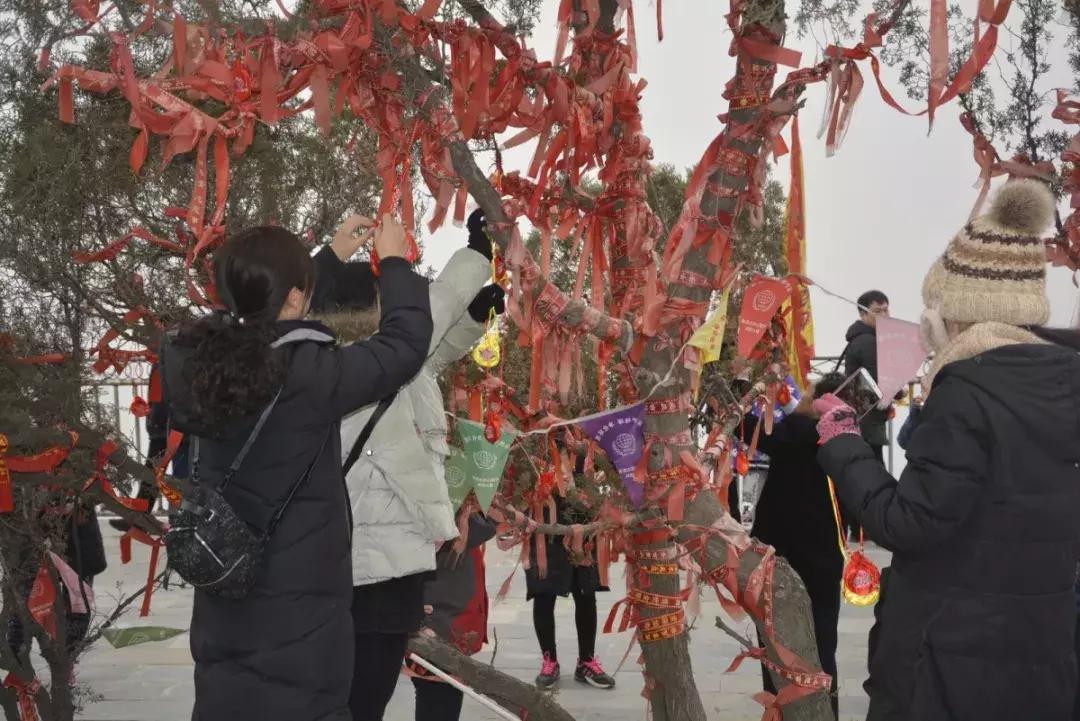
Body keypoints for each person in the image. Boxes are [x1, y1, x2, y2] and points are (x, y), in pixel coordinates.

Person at [814, 179, 1080, 721]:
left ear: (954, 310)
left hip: (948, 660)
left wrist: (843, 441)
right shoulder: (1064, 384)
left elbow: (910, 521)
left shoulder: (966, 392)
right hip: (1043, 652)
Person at [161, 215, 432, 721]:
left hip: (225, 600)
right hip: (299, 618)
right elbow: (403, 346)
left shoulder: (199, 365)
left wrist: (322, 261)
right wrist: (396, 262)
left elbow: (270, 318)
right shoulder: (307, 376)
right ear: (295, 296)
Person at [311, 208, 504, 721]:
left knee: (358, 690)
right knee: (362, 694)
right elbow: (431, 311)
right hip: (376, 565)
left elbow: (431, 354)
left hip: (371, 558)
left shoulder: (345, 362)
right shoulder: (370, 360)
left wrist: (471, 321)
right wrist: (477, 255)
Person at [738, 373, 845, 720]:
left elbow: (747, 426)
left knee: (775, 645)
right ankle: (826, 711)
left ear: (819, 400)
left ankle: (779, 712)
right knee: (823, 644)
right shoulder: (843, 438)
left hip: (781, 559)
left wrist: (744, 383)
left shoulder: (796, 431)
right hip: (826, 558)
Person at [408, 504, 498, 721]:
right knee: (438, 694)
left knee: (443, 692)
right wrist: (494, 516)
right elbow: (467, 529)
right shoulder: (443, 489)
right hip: (441, 612)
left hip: (448, 607)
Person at [528, 484, 615, 690]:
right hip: (545, 518)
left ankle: (586, 661)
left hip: (583, 519)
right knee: (543, 592)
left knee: (585, 592)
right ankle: (550, 661)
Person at [837, 289, 890, 541]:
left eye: (887, 309)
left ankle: (858, 527)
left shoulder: (859, 340)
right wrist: (895, 389)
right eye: (878, 311)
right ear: (862, 312)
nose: (885, 315)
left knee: (859, 475)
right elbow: (878, 383)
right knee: (872, 477)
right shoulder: (869, 342)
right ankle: (866, 528)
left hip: (859, 420)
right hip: (867, 422)